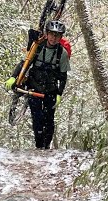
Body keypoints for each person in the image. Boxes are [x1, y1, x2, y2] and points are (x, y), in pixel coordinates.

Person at [6, 20, 70, 149]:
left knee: (49, 120)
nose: (54, 38)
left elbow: (63, 76)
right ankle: (39, 147)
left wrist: (59, 94)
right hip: (33, 88)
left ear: (61, 37)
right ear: (47, 34)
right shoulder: (37, 47)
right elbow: (24, 63)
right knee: (37, 118)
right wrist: (13, 77)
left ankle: (47, 147)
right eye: (51, 34)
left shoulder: (62, 53)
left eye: (57, 35)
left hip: (50, 91)